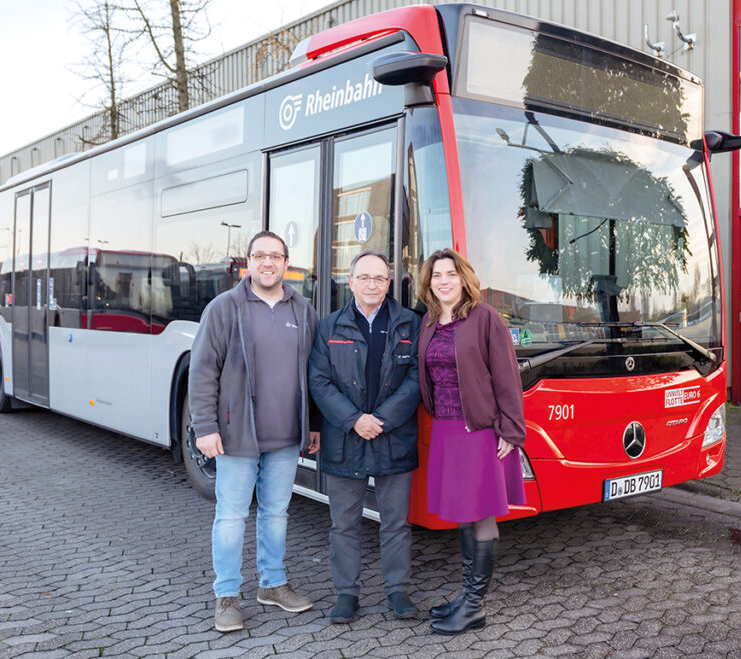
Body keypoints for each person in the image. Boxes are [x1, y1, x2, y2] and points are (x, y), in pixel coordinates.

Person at [189, 230, 320, 633]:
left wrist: (312, 425)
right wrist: (205, 427)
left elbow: (315, 373)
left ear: (286, 263)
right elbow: (202, 371)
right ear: (249, 262)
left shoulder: (303, 309)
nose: (267, 262)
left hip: (284, 438)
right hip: (235, 436)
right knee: (230, 517)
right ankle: (226, 596)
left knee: (276, 514)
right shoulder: (224, 308)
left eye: (275, 256)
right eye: (259, 255)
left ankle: (273, 584)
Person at [416, 248, 527, 635]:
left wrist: (512, 431)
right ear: (428, 283)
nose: (443, 280)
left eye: (451, 273)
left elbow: (506, 375)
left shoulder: (484, 318)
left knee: (481, 515)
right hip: (447, 430)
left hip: (479, 431)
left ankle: (476, 606)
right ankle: (466, 596)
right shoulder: (430, 322)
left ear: (464, 278)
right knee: (465, 513)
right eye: (436, 275)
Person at [309, 250, 422, 623]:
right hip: (346, 438)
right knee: (344, 523)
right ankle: (346, 594)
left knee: (396, 523)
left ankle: (397, 590)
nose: (372, 284)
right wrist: (355, 419)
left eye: (379, 278)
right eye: (364, 278)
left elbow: (416, 380)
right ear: (351, 281)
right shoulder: (329, 326)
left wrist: (383, 420)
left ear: (389, 284)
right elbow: (319, 381)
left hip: (394, 436)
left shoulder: (410, 324)